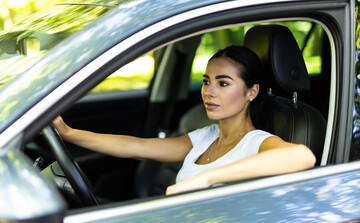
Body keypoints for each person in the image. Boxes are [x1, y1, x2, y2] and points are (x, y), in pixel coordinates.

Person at [53, 45, 316, 196]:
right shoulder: (206, 136)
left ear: (252, 92)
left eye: (223, 83)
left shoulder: (255, 142)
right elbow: (137, 146)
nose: (209, 92)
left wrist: (207, 179)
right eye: (206, 81)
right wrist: (69, 133)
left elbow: (303, 157)